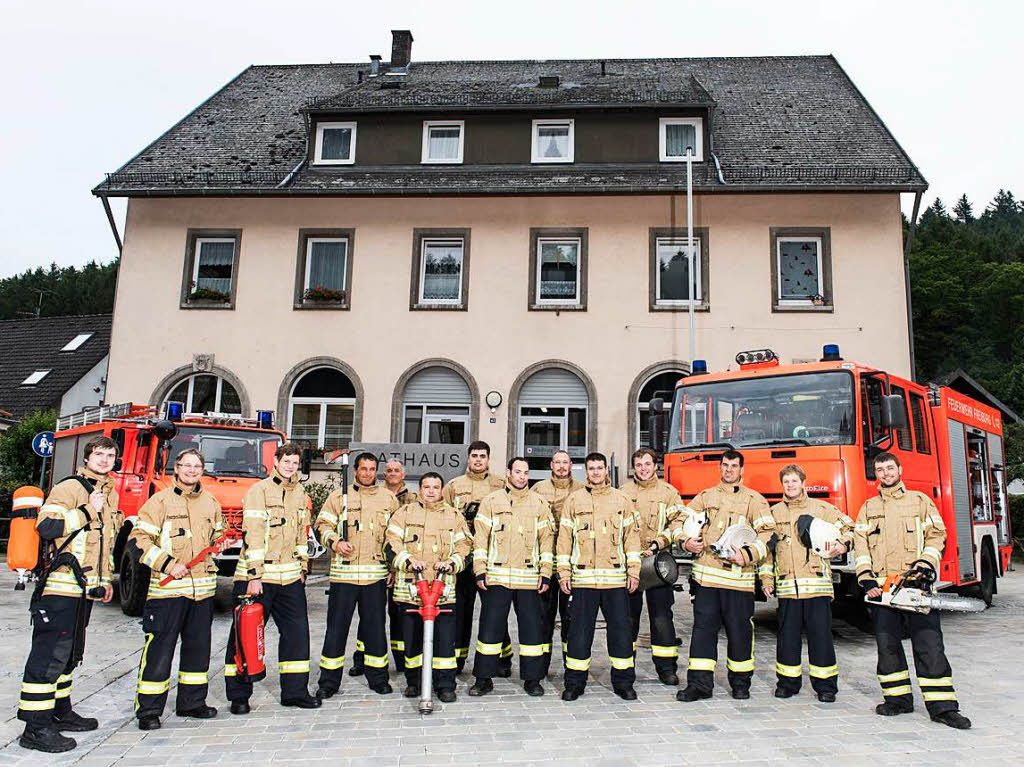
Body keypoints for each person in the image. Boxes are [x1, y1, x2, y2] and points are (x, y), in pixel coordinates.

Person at [854, 452, 972, 729]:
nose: (885, 473)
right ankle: (898, 701)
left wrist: (925, 563)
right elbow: (861, 546)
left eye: (889, 468)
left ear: (900, 469)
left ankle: (943, 708)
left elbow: (937, 535)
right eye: (880, 469)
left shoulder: (919, 501)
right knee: (888, 647)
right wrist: (867, 579)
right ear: (876, 474)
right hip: (883, 590)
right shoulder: (868, 508)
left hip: (916, 587)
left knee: (929, 645)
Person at [16, 436, 119, 753]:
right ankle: (35, 727)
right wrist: (88, 510)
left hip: (84, 590)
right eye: (98, 454)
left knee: (70, 654)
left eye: (110, 455)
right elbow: (47, 527)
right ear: (87, 457)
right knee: (49, 656)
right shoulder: (70, 488)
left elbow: (102, 544)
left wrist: (106, 580)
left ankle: (60, 712)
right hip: (60, 588)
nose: (103, 459)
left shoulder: (108, 491)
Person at [129, 448, 229, 729]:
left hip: (203, 592)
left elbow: (219, 533)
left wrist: (222, 543)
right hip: (168, 592)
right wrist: (167, 563)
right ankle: (148, 711)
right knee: (160, 652)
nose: (192, 471)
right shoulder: (158, 501)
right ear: (177, 468)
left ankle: (192, 703)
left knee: (197, 650)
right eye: (187, 466)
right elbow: (139, 541)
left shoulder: (210, 502)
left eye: (197, 466)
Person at [225, 443, 320, 713]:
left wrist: (303, 568)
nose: (291, 466)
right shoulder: (259, 491)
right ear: (276, 461)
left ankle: (295, 692)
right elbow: (252, 534)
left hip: (290, 579)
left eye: (295, 463)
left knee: (296, 636)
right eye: (286, 461)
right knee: (243, 637)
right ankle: (239, 696)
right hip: (258, 577)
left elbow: (303, 533)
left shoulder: (300, 492)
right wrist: (254, 575)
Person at [673, 450, 774, 702]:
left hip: (739, 582)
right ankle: (699, 685)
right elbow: (679, 522)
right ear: (719, 468)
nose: (729, 470)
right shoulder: (705, 497)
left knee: (740, 634)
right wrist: (686, 542)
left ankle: (740, 684)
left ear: (742, 470)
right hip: (707, 580)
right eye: (725, 465)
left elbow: (769, 535)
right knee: (703, 633)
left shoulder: (755, 500)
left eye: (734, 466)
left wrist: (748, 554)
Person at [763, 464, 853, 702]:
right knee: (787, 639)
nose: (791, 485)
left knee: (820, 637)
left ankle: (826, 687)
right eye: (786, 482)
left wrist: (842, 544)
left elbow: (850, 528)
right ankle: (787, 684)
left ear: (804, 483)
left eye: (794, 481)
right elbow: (768, 552)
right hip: (787, 588)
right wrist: (766, 578)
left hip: (817, 586)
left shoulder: (821, 508)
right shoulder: (774, 514)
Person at [557, 452, 642, 701]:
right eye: (591, 468)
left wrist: (634, 571)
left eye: (599, 468)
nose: (595, 472)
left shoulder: (622, 500)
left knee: (621, 634)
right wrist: (563, 573)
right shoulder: (574, 501)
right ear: (586, 471)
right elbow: (564, 541)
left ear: (607, 470)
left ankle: (624, 682)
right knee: (579, 635)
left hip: (615, 580)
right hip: (583, 580)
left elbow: (632, 539)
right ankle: (574, 683)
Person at [468, 457, 555, 697]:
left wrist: (546, 573)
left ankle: (532, 679)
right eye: (518, 472)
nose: (522, 477)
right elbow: (480, 540)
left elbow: (546, 541)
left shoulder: (539, 504)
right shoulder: (492, 502)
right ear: (508, 473)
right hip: (496, 578)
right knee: (489, 631)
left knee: (532, 632)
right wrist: (480, 570)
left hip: (528, 579)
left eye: (526, 473)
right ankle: (483, 678)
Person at [315, 452, 399, 698]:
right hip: (344, 576)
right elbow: (322, 526)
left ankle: (378, 679)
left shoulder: (388, 499)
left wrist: (393, 568)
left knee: (375, 631)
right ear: (355, 470)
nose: (368, 473)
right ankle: (328, 683)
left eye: (372, 469)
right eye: (363, 469)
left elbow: (394, 538)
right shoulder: (338, 496)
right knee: (336, 631)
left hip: (375, 577)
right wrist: (335, 541)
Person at [386, 472, 471, 703]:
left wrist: (452, 563)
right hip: (411, 590)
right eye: (426, 486)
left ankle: (445, 685)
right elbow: (390, 544)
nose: (431, 491)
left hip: (443, 591)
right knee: (412, 641)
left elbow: (465, 547)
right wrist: (408, 561)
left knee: (445, 642)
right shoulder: (404, 513)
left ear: (442, 489)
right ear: (420, 489)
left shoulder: (454, 516)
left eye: (435, 487)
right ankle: (414, 682)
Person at [442, 441, 509, 675]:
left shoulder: (501, 485)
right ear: (468, 459)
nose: (478, 460)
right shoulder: (453, 486)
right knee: (461, 611)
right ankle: (458, 660)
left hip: (491, 557)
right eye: (474, 456)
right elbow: (444, 518)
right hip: (463, 557)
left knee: (494, 611)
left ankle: (502, 659)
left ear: (488, 459)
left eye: (482, 456)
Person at [620, 447, 685, 686]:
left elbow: (678, 521)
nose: (643, 469)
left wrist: (659, 543)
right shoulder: (624, 493)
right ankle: (626, 667)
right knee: (628, 619)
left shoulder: (668, 492)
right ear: (633, 467)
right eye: (638, 465)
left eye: (647, 464)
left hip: (659, 565)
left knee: (661, 618)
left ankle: (666, 669)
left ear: (655, 465)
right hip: (632, 565)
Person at [349, 459, 417, 676]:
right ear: (383, 474)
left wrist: (397, 568)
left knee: (398, 615)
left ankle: (401, 660)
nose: (393, 473)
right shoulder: (375, 495)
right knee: (370, 616)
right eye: (389, 470)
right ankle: (362, 659)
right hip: (375, 567)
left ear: (404, 474)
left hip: (398, 569)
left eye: (397, 470)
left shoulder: (413, 499)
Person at [532, 450, 583, 677]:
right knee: (543, 620)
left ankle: (570, 668)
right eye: (557, 463)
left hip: (572, 566)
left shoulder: (582, 490)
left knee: (572, 621)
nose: (561, 466)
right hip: (545, 565)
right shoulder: (537, 490)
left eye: (565, 462)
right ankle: (540, 669)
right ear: (551, 465)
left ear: (571, 465)